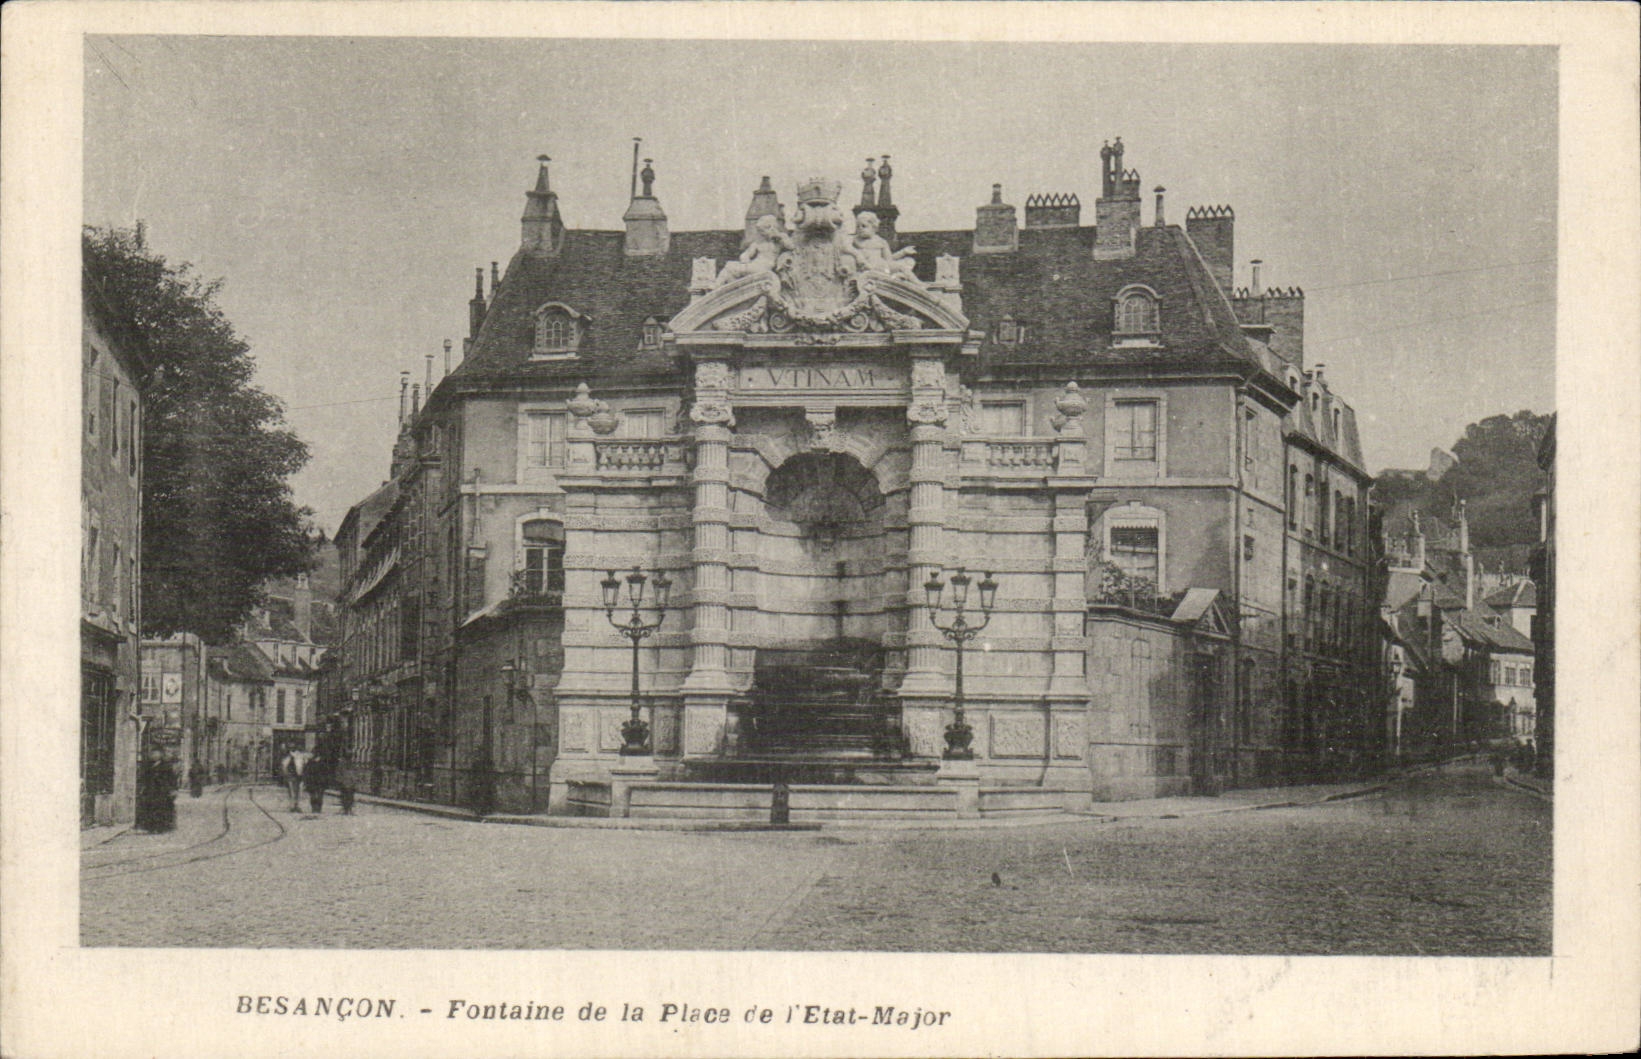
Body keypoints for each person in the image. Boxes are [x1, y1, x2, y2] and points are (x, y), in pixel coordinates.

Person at [134, 749, 177, 833]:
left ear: (161, 755)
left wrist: (173, 789)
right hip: (150, 790)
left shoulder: (166, 766)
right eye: (153, 753)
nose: (154, 755)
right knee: (150, 808)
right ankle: (150, 827)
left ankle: (161, 827)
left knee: (161, 809)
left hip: (162, 791)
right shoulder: (148, 766)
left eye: (157, 753)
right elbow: (143, 778)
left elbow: (172, 779)